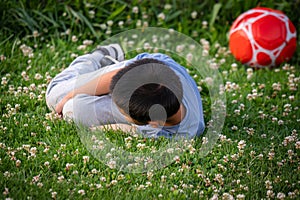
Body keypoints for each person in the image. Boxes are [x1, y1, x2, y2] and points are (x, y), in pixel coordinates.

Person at [46, 44, 205, 139]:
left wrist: (94, 131)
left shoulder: (185, 133)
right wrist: (70, 94)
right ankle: (101, 57)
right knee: (54, 96)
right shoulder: (159, 73)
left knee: (72, 111)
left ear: (153, 124)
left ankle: (105, 69)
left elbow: (130, 129)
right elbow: (114, 77)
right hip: (143, 71)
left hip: (143, 103)